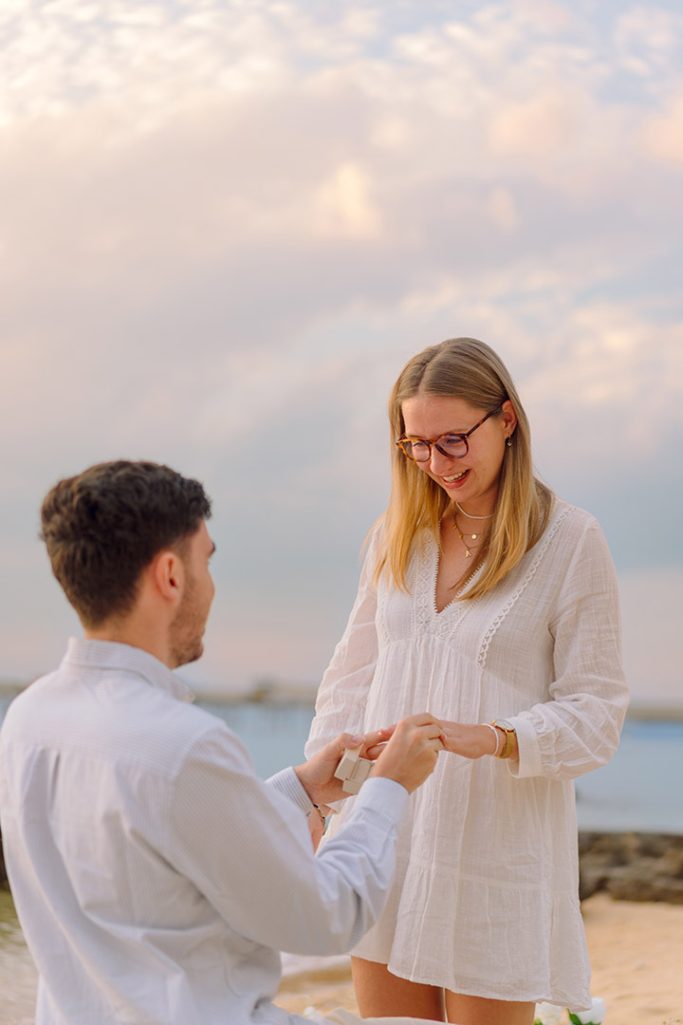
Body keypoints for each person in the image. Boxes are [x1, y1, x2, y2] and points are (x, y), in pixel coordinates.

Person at [0, 459, 448, 1025]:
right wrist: (387, 789)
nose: (210, 587)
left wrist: (304, 789)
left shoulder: (29, 719)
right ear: (169, 574)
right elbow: (328, 916)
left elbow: (163, 840)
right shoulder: (183, 744)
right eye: (205, 561)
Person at [306, 338, 629, 1025]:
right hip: (384, 834)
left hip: (493, 847)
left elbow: (597, 711)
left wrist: (489, 735)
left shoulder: (570, 540)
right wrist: (319, 794)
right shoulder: (394, 535)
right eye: (414, 445)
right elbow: (349, 676)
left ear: (505, 420)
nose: (434, 462)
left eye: (452, 439)